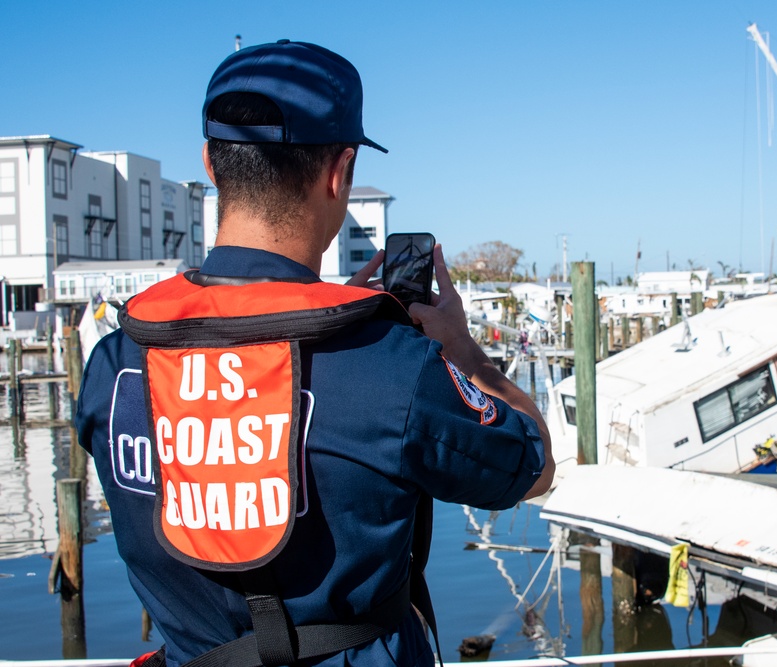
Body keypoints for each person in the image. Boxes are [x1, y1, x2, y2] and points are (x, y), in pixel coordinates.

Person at [75, 39, 553, 667]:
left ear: (211, 165)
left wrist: (306, 324)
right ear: (340, 172)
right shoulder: (392, 365)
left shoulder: (114, 365)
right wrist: (465, 353)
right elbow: (533, 467)